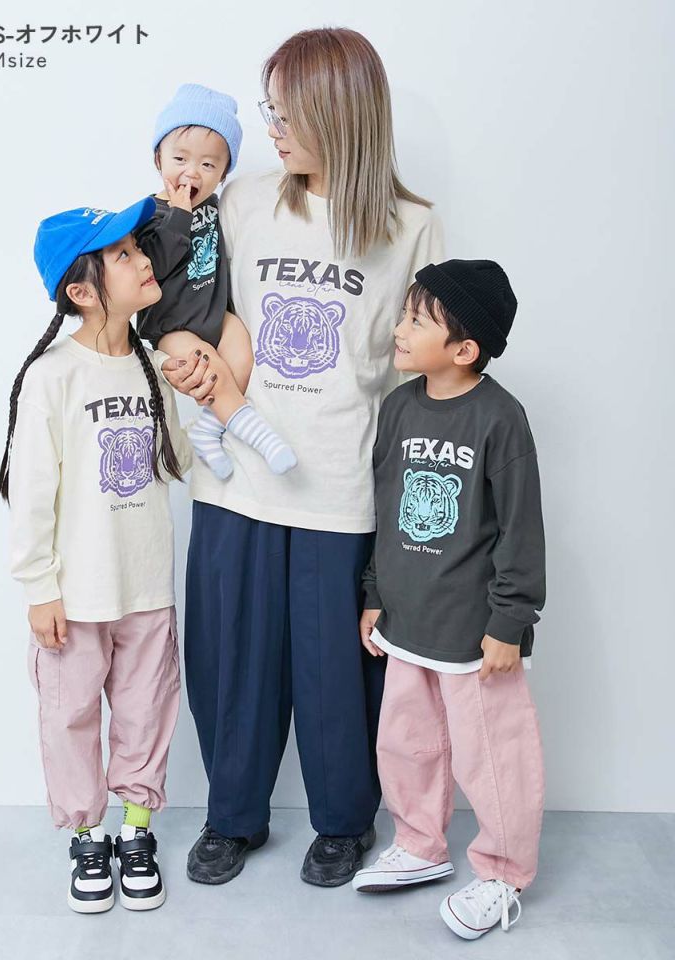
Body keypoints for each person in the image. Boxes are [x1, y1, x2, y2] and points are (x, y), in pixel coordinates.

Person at [162, 28, 444, 887]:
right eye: (270, 109)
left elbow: (422, 376)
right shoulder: (243, 202)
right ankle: (232, 817)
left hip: (340, 486)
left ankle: (344, 822)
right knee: (232, 664)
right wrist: (187, 358)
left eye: (287, 113)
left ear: (339, 113)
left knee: (336, 675)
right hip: (237, 480)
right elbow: (188, 296)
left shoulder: (410, 226)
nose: (272, 129)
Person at [0, 199, 190, 913]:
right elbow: (31, 490)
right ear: (81, 290)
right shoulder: (53, 376)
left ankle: (136, 831)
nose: (142, 261)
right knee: (70, 714)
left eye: (138, 248)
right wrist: (38, 587)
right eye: (123, 255)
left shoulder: (151, 365)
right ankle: (87, 836)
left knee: (146, 710)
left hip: (146, 583)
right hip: (76, 593)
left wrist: (190, 381)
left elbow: (178, 461)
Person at [353, 259, 545, 939]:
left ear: (464, 349)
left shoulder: (500, 418)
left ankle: (503, 873)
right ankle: (419, 844)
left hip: (475, 632)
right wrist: (375, 593)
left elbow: (521, 527)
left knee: (493, 755)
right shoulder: (400, 407)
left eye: (416, 320)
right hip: (408, 620)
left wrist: (511, 621)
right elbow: (385, 508)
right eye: (405, 315)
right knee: (406, 743)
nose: (399, 329)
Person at [137, 83, 296, 479]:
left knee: (243, 354)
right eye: (179, 159)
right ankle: (260, 436)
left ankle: (209, 428)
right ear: (158, 159)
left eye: (208, 165)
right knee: (214, 372)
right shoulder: (150, 214)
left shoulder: (215, 205)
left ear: (224, 174)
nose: (192, 172)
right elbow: (156, 263)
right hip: (173, 325)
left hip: (213, 314)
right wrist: (178, 214)